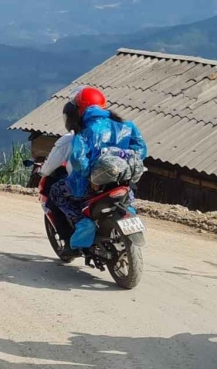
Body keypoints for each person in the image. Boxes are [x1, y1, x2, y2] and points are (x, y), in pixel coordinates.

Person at [56, 86, 148, 248]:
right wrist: (123, 164)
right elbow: (140, 150)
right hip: (122, 181)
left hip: (89, 186)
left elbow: (78, 160)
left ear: (80, 110)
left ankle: (83, 225)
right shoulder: (128, 126)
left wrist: (91, 176)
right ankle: (129, 213)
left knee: (57, 192)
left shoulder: (84, 131)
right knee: (127, 200)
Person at [39, 101, 82, 245]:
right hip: (118, 181)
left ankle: (68, 241)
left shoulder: (70, 140)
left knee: (55, 194)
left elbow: (48, 168)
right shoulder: (113, 132)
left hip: (85, 184)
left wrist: (41, 170)